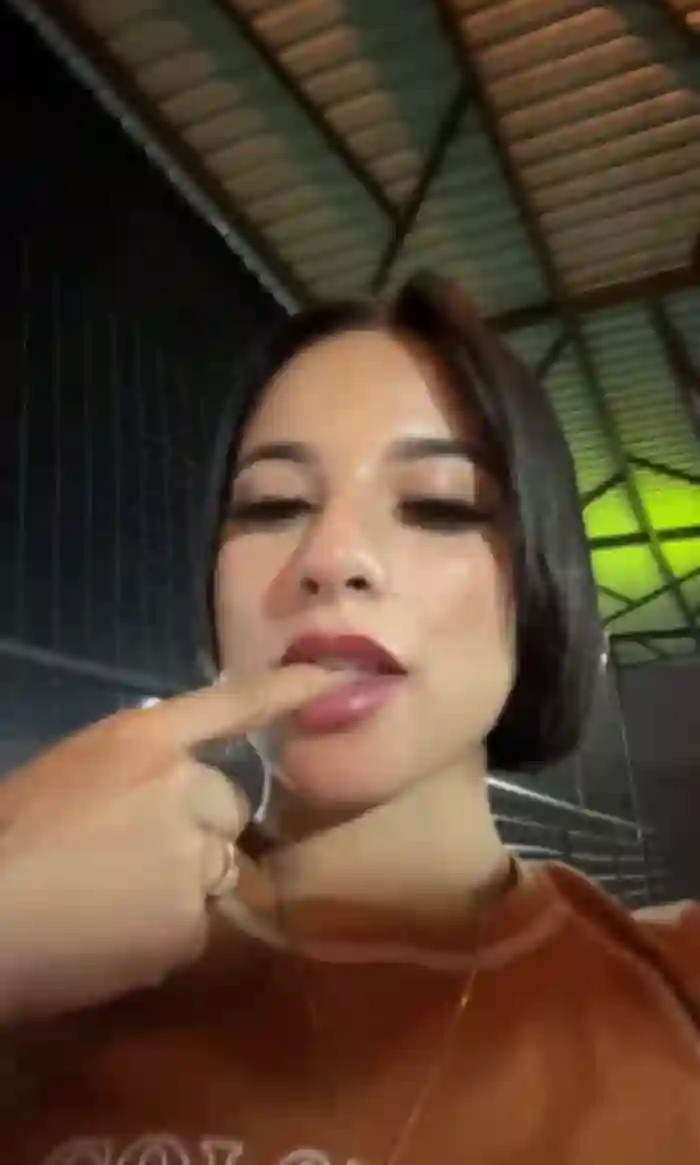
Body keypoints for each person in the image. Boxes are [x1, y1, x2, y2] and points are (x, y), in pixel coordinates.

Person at [1, 273, 699, 1165]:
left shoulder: (674, 990)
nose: (332, 557)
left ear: (537, 589)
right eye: (273, 505)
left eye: (439, 504)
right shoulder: (45, 954)